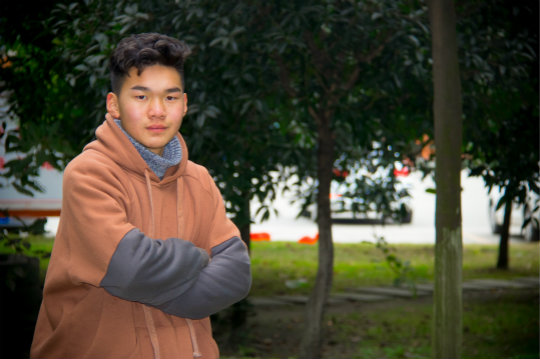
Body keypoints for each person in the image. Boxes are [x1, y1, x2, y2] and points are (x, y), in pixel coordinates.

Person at [30, 32, 252, 359]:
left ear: (185, 104)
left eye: (170, 97)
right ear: (114, 104)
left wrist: (155, 283)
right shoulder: (90, 173)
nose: (158, 111)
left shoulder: (199, 180)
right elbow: (131, 269)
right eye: (141, 97)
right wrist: (199, 259)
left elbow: (236, 274)